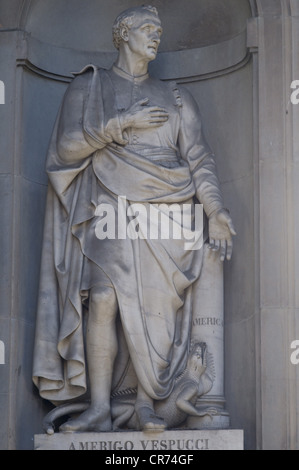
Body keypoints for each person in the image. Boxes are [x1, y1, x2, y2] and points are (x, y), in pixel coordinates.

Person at [33, 5, 236, 432]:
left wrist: (215, 211)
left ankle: (147, 403)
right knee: (104, 299)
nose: (156, 35)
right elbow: (66, 149)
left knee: (156, 310)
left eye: (159, 29)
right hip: (111, 205)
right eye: (148, 28)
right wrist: (120, 123)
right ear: (123, 34)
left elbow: (199, 159)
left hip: (170, 211)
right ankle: (100, 407)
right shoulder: (89, 87)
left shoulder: (178, 96)